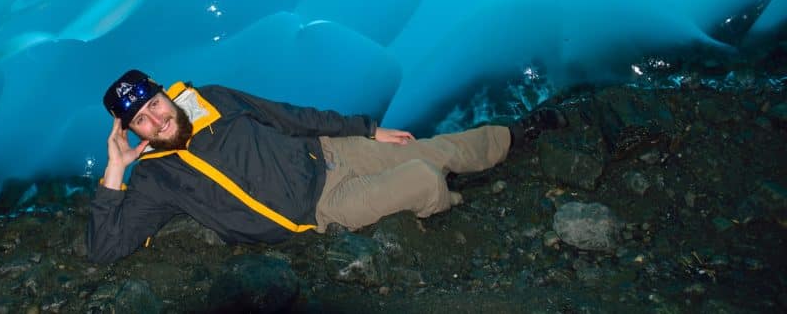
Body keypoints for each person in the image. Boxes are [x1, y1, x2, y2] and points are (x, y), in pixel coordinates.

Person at [87, 69, 566, 264]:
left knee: (433, 148)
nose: (155, 119)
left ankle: (514, 137)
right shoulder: (155, 178)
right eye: (141, 121)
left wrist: (365, 128)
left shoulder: (212, 99)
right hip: (319, 208)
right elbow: (105, 249)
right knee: (423, 176)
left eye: (154, 104)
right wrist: (115, 172)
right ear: (133, 132)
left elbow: (288, 116)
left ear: (163, 92)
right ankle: (455, 195)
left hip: (327, 152)